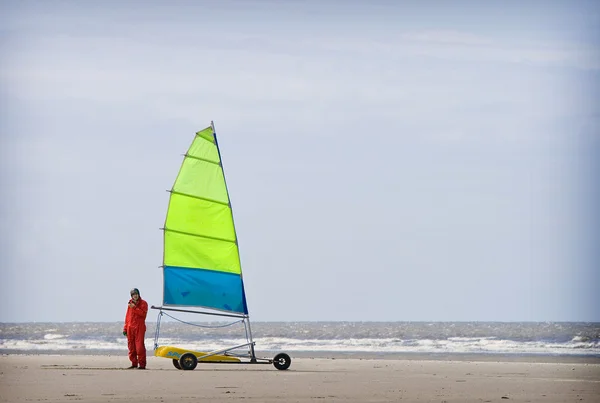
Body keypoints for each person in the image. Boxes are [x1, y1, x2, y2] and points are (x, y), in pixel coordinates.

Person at [123, 288, 148, 369]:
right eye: (133, 295)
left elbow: (143, 314)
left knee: (139, 347)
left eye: (136, 294)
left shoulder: (143, 303)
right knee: (131, 347)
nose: (135, 296)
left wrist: (134, 307)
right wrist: (125, 328)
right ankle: (134, 363)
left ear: (138, 294)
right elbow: (127, 317)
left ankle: (142, 364)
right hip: (130, 328)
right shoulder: (130, 304)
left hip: (139, 328)